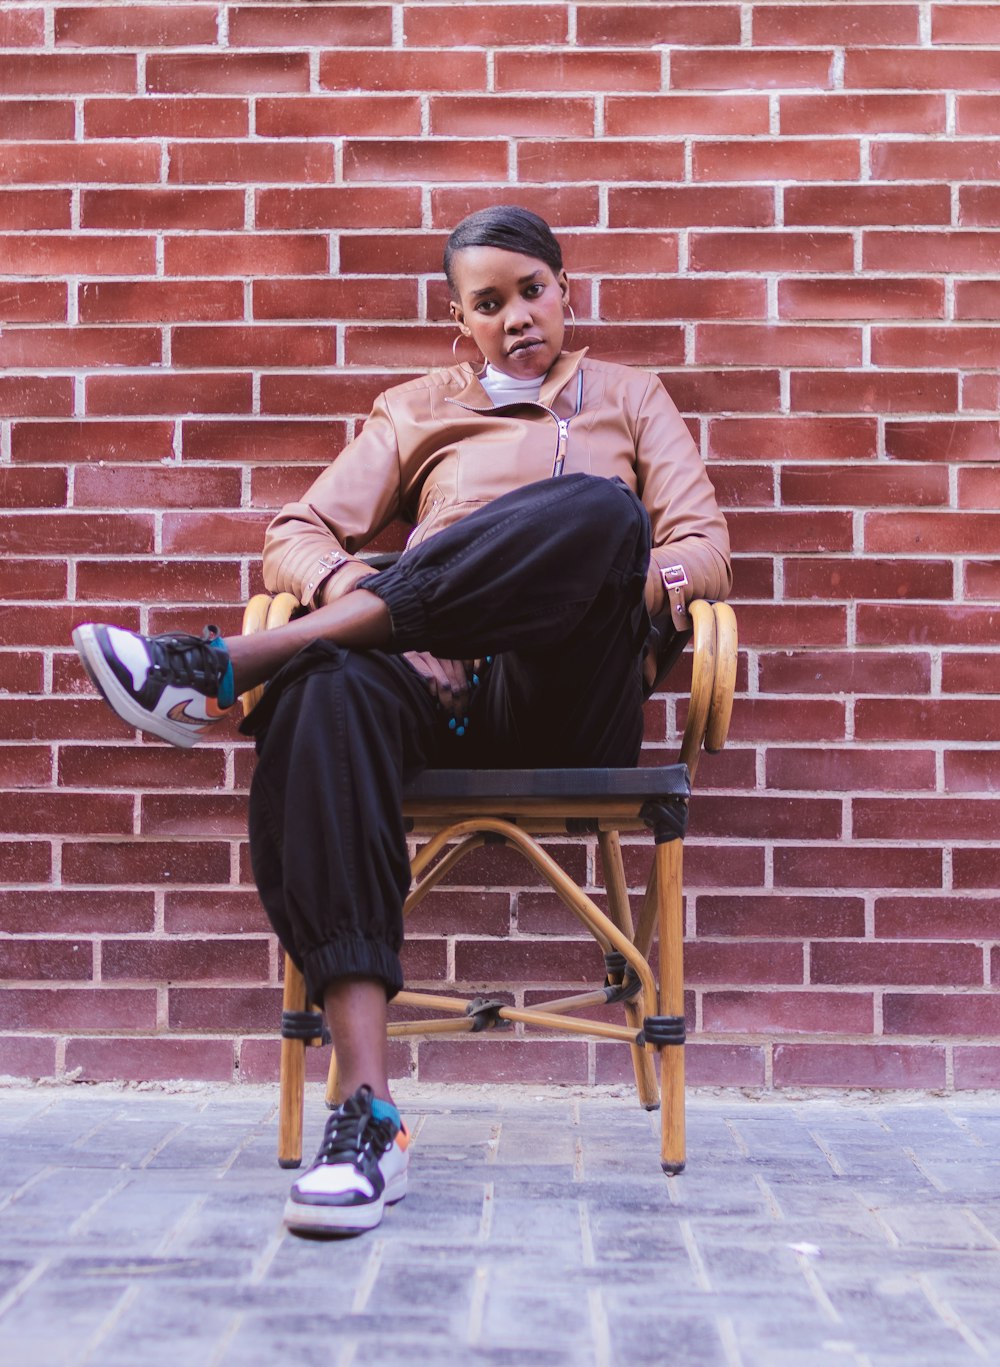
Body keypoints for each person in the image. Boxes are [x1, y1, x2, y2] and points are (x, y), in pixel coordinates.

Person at [73, 205, 731, 1238]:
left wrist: (587, 579)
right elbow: (296, 529)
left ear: (565, 289)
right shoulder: (416, 409)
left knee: (600, 517)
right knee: (326, 693)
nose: (516, 316)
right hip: (433, 684)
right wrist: (368, 595)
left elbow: (703, 549)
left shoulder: (630, 399)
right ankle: (366, 1110)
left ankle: (222, 666)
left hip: (570, 692)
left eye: (532, 290)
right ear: (457, 321)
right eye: (488, 303)